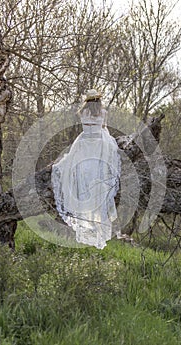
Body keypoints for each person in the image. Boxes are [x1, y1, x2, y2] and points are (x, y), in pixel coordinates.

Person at [51, 89, 121, 249]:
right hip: (99, 144)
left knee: (82, 180)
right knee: (100, 179)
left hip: (84, 143)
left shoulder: (82, 112)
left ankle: (88, 221)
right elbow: (104, 128)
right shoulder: (103, 112)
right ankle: (95, 222)